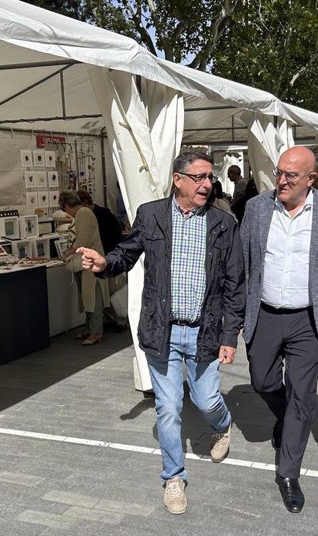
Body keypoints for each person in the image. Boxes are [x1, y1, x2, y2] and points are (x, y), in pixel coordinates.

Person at [76, 152, 245, 515]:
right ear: (177, 179)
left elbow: (235, 283)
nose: (207, 184)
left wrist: (230, 336)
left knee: (206, 400)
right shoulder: (151, 214)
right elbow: (127, 252)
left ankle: (223, 424)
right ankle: (173, 477)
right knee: (168, 408)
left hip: (205, 332)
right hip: (161, 331)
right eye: (198, 177)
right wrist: (105, 263)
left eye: (210, 178)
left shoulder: (222, 223)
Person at [241, 147, 318, 514]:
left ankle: (288, 474)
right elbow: (244, 264)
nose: (282, 181)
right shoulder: (257, 209)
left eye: (291, 175)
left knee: (303, 396)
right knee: (261, 380)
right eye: (279, 173)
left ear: (311, 179)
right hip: (266, 314)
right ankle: (286, 418)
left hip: (309, 320)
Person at [58, 190, 109, 345]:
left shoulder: (83, 214)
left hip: (91, 262)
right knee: (87, 297)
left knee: (93, 298)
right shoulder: (84, 213)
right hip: (87, 261)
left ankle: (96, 332)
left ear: (66, 206)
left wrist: (67, 254)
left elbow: (82, 240)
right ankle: (91, 329)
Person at [77, 190, 123, 254]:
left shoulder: (103, 214)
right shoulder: (95, 213)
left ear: (85, 203)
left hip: (111, 252)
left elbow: (105, 239)